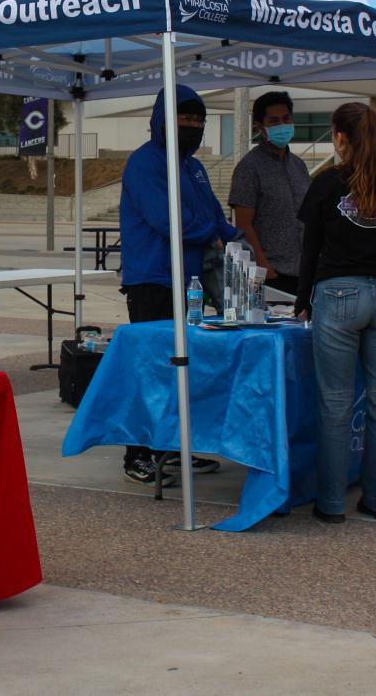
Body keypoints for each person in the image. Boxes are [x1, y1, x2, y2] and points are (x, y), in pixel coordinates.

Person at [294, 102, 376, 523]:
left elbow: (309, 247)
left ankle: (330, 504)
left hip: (338, 293)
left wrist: (302, 296)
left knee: (335, 405)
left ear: (340, 138)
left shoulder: (327, 184)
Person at [118, 84, 237, 485]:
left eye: (198, 120)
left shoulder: (194, 168)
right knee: (151, 369)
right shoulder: (145, 164)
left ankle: (174, 446)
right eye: (184, 119)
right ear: (162, 121)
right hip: (152, 279)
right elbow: (165, 218)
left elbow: (215, 216)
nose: (192, 126)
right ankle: (138, 453)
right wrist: (210, 234)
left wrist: (239, 240)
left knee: (184, 370)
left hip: (190, 284)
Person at [228, 90, 310, 295]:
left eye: (286, 118)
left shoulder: (299, 166)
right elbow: (243, 224)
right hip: (271, 274)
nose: (282, 125)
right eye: (273, 121)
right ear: (259, 125)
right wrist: (264, 266)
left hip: (303, 272)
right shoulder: (249, 167)